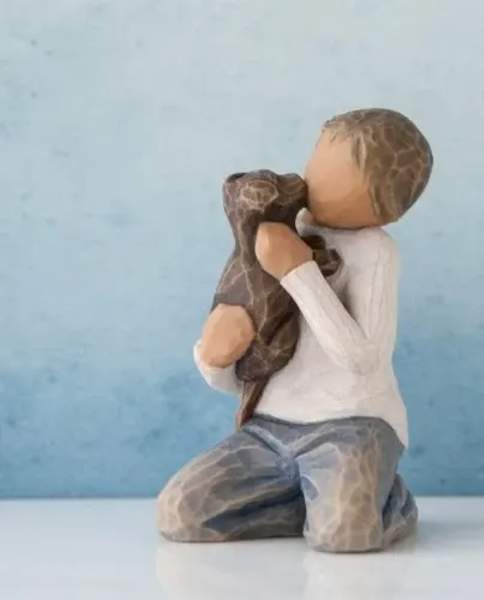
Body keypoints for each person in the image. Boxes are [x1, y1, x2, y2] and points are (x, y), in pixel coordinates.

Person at [157, 108, 433, 552]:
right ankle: (321, 502)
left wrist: (297, 271)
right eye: (315, 164)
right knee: (181, 512)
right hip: (269, 428)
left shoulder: (374, 252)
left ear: (385, 204)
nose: (308, 181)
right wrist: (214, 359)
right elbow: (257, 359)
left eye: (333, 174)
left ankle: (382, 503)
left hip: (352, 426)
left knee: (345, 538)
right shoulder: (284, 231)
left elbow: (363, 358)